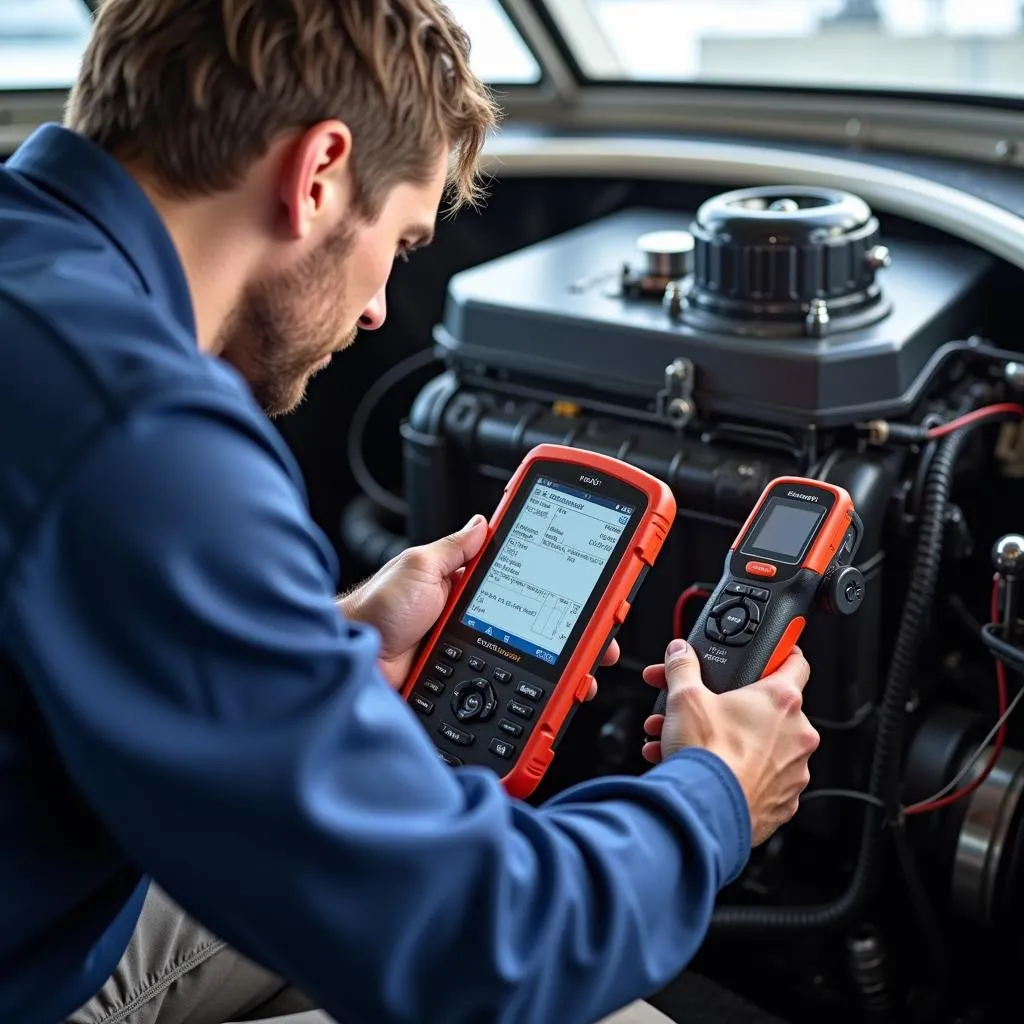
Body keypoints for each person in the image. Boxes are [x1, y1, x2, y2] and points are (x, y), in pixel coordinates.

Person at [0, 2, 821, 1023]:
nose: (384, 305)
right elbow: (483, 947)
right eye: (401, 239)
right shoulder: (147, 432)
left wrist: (325, 639)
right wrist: (716, 793)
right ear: (318, 173)